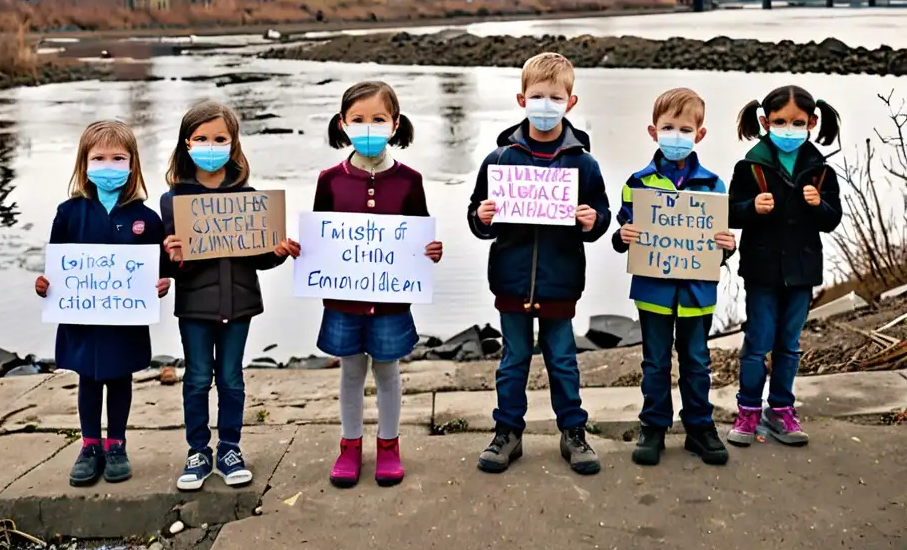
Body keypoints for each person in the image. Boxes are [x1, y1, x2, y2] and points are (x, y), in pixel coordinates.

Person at [274, 81, 443, 489]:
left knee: (388, 371)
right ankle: (350, 447)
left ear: (395, 123)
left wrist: (430, 251)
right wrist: (302, 250)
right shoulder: (330, 179)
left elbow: (417, 237)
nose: (369, 126)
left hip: (391, 301)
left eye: (378, 119)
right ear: (343, 124)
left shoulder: (410, 180)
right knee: (350, 371)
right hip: (344, 300)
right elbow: (322, 237)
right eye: (359, 119)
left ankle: (389, 446)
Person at [467, 52, 611, 476]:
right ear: (520, 99)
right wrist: (482, 217)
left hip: (560, 281)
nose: (545, 105)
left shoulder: (584, 163)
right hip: (510, 280)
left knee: (563, 360)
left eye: (554, 97)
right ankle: (507, 432)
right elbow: (477, 214)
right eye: (537, 96)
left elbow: (601, 214)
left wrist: (593, 221)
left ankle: (573, 432)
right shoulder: (499, 159)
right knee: (513, 361)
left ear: (571, 101)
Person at [161, 100, 291, 491]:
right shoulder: (172, 201)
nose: (211, 145)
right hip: (195, 308)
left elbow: (260, 258)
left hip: (240, 304)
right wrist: (173, 257)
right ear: (187, 144)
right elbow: (167, 267)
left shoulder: (249, 198)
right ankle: (198, 451)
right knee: (197, 378)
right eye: (202, 138)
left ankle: (230, 447)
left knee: (232, 378)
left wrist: (278, 253)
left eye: (220, 138)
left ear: (233, 145)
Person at [35, 121, 170, 487]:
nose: (108, 165)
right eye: (99, 158)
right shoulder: (68, 213)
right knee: (89, 379)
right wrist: (44, 285)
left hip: (124, 320)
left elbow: (160, 269)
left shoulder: (147, 218)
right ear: (84, 162)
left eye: (118, 158)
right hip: (82, 319)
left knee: (121, 378)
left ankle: (117, 444)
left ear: (132, 164)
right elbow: (55, 268)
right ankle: (90, 445)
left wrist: (161, 284)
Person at [611, 88, 736, 466]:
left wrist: (728, 245)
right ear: (653, 132)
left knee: (697, 361)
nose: (676, 136)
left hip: (698, 293)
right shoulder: (636, 183)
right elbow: (621, 237)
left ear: (700, 134)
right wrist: (623, 236)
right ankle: (653, 427)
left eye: (685, 129)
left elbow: (721, 245)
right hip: (653, 292)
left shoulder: (714, 185)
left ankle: (699, 426)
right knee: (655, 363)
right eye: (668, 127)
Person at [727, 86, 842, 447]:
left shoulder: (821, 171)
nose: (788, 129)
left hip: (802, 272)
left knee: (789, 345)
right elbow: (730, 211)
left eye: (796, 122)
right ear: (764, 122)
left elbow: (831, 219)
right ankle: (747, 410)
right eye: (780, 122)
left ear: (812, 122)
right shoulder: (750, 166)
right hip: (761, 270)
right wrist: (751, 208)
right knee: (758, 341)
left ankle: (781, 409)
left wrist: (818, 204)